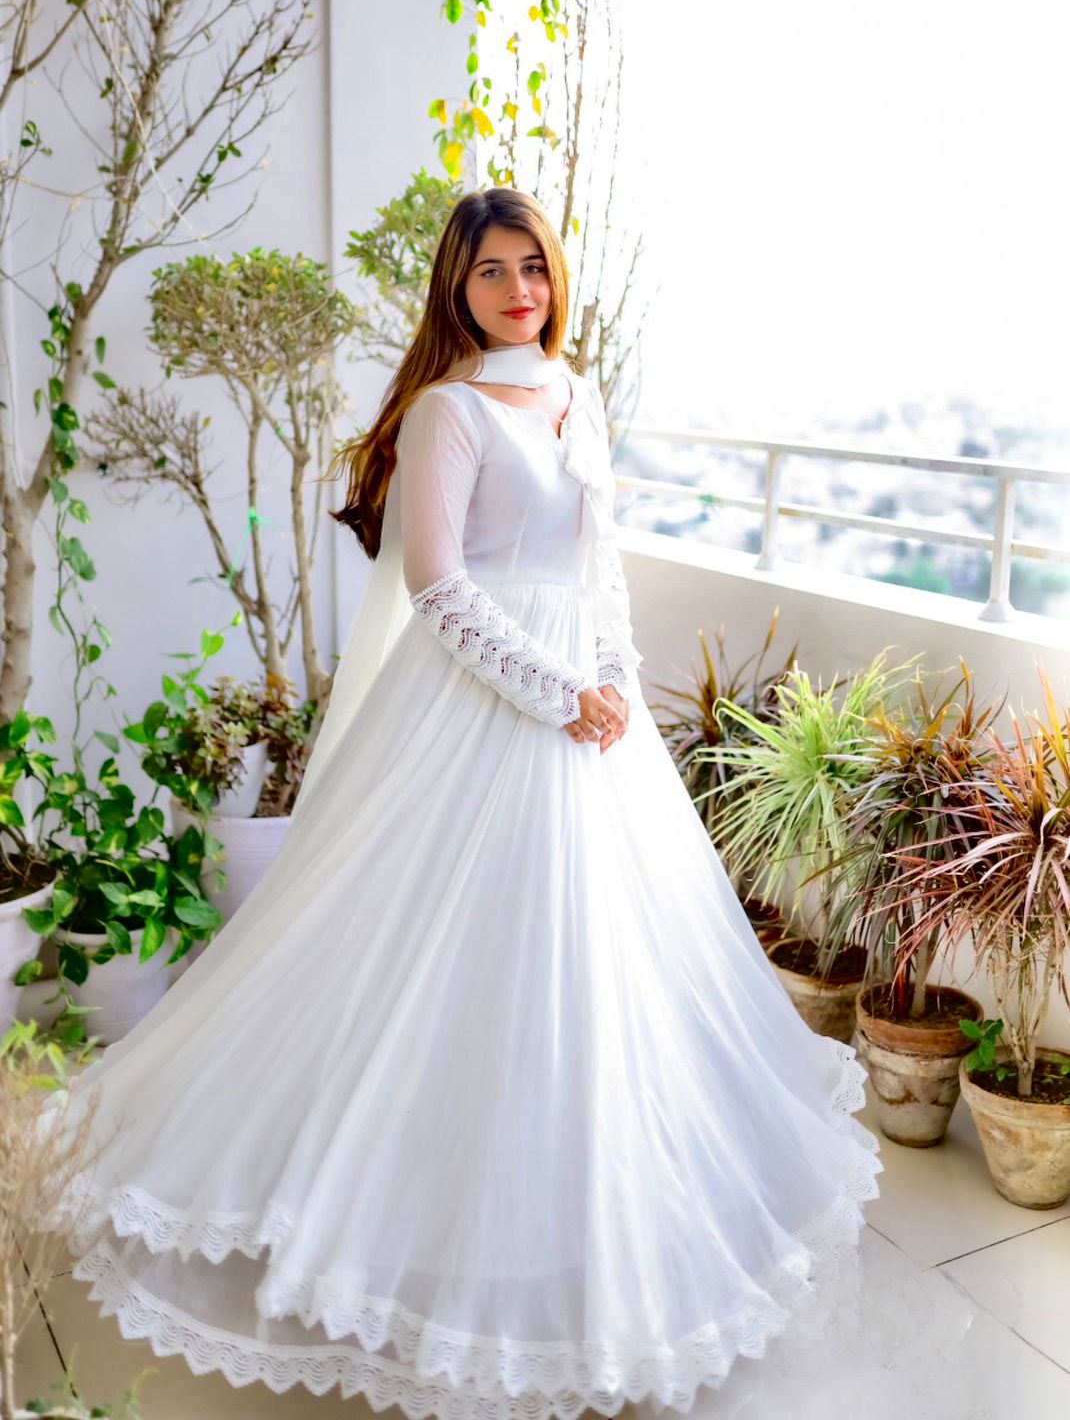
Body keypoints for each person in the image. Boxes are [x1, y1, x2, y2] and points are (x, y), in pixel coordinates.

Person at [34, 189, 978, 1418]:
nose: (517, 288)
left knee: (588, 974)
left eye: (532, 265)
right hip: (477, 710)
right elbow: (437, 585)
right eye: (491, 270)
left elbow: (596, 559)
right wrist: (552, 691)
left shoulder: (573, 393)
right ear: (456, 287)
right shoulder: (445, 410)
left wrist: (613, 682)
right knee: (437, 962)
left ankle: (580, 1240)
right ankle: (411, 1234)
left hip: (589, 715)